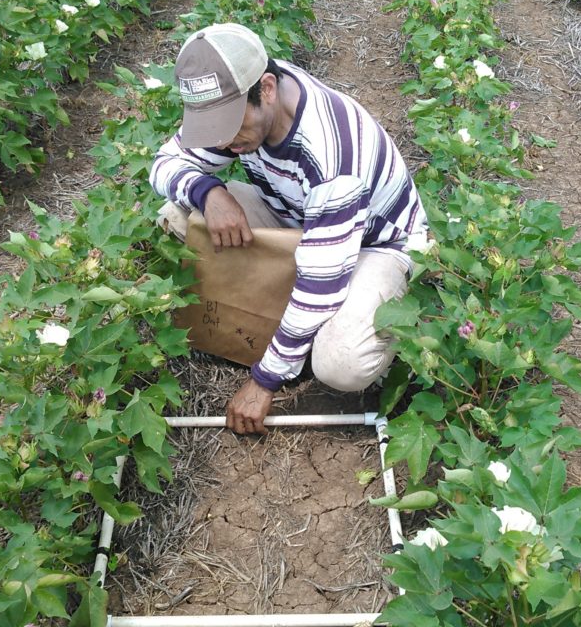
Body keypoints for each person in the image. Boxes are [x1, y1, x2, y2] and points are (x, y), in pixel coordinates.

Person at [150, 23, 428, 435]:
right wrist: (209, 191)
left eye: (229, 126)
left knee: (341, 363)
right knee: (179, 213)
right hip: (297, 219)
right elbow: (164, 164)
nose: (223, 143)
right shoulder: (242, 113)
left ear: (266, 88)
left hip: (375, 246)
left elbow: (321, 284)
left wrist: (264, 380)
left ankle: (367, 319)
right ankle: (294, 319)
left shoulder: (332, 156)